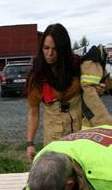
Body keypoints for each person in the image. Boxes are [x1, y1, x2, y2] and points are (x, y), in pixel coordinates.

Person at [26, 23, 82, 163]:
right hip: (53, 138)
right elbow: (33, 112)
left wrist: (99, 87)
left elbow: (94, 90)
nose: (49, 53)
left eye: (55, 49)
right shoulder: (37, 76)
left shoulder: (77, 67)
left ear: (63, 50)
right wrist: (30, 143)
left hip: (80, 134)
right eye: (46, 48)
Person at [80, 44, 112, 129]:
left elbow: (107, 81)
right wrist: (106, 121)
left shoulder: (100, 59)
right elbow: (88, 94)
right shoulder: (93, 63)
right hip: (89, 118)